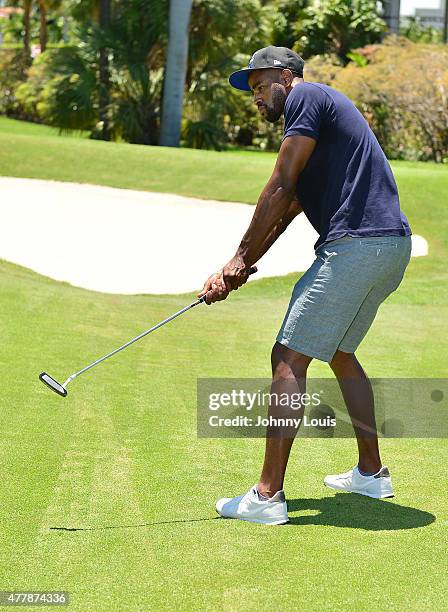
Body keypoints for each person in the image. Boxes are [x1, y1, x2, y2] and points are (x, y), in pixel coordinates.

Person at [199, 46, 412, 525]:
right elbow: (287, 208)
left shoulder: (307, 97)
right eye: (250, 90)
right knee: (337, 351)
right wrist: (240, 268)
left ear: (285, 75)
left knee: (289, 356)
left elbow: (278, 184)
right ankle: (372, 474)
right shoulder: (320, 131)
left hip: (357, 246)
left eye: (259, 85)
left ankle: (267, 497)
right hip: (390, 247)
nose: (255, 97)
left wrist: (235, 260)